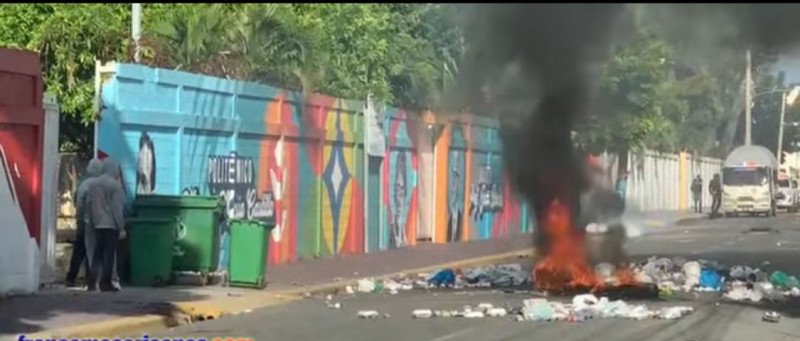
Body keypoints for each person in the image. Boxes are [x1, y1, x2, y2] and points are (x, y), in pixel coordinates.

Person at [86, 158, 127, 292]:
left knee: (97, 254)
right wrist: (121, 227)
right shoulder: (115, 185)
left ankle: (92, 281)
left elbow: (89, 204)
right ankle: (105, 283)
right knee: (109, 255)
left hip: (97, 223)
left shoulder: (93, 184)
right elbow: (117, 208)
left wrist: (92, 221)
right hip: (111, 225)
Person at [65, 159, 103, 287]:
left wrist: (79, 217)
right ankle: (90, 278)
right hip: (95, 222)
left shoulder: (83, 184)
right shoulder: (100, 184)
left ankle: (71, 276)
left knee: (79, 249)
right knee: (92, 249)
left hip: (82, 221)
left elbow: (78, 201)